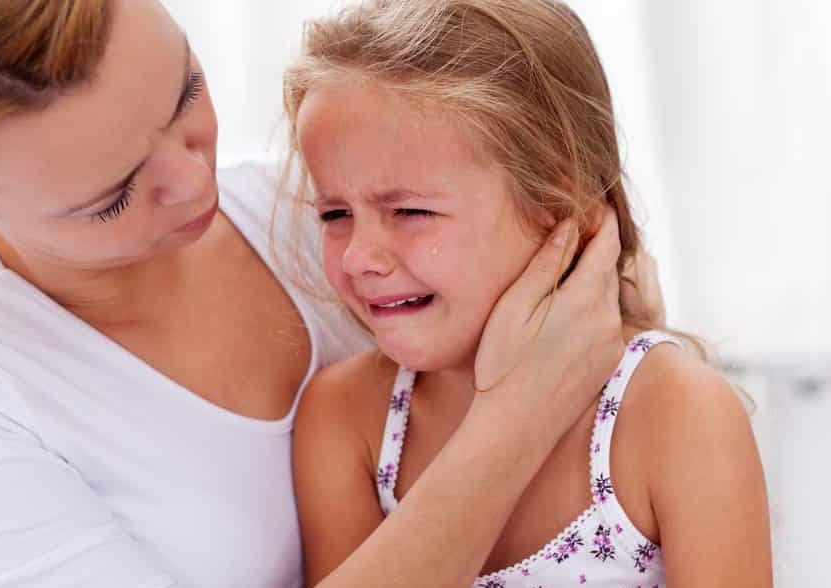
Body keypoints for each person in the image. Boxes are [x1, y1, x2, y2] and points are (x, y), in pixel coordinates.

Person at [0, 0, 658, 586]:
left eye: (184, 94)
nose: (191, 179)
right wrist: (521, 413)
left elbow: (621, 398)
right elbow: (556, 378)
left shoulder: (331, 218)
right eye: (112, 196)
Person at [282, 1, 773, 587]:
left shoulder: (676, 414)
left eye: (410, 211)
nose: (359, 257)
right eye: (335, 212)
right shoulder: (346, 420)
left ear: (557, 211)